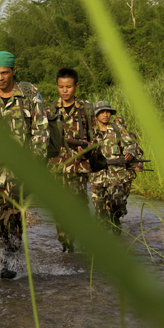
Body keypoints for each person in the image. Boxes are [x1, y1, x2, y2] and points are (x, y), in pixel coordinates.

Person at [0, 50, 48, 279]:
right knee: (2, 208)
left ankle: (10, 258)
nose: (1, 78)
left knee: (13, 207)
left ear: (14, 70)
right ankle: (10, 249)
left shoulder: (29, 93)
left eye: (5, 73)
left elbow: (40, 127)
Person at [45, 67, 93, 252]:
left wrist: (88, 147)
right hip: (55, 167)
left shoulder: (86, 109)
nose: (64, 91)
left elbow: (96, 135)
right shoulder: (49, 110)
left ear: (76, 86)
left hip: (78, 167)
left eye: (69, 87)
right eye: (61, 87)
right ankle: (67, 245)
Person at [89, 101, 138, 234]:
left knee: (117, 202)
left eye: (108, 112)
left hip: (116, 174)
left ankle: (116, 218)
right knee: (99, 209)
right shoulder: (90, 130)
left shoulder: (117, 128)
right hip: (97, 175)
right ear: (96, 114)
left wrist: (129, 152)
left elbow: (130, 143)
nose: (105, 115)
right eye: (102, 112)